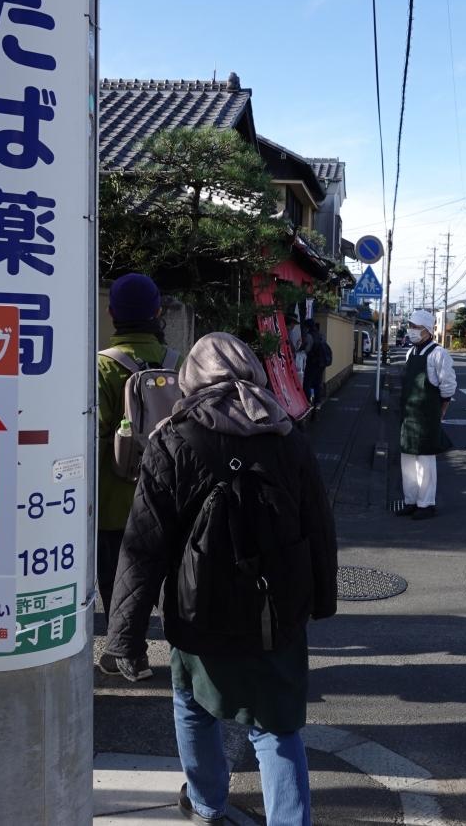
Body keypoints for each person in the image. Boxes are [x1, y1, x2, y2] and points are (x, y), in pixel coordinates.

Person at [106, 332, 337, 825]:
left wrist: (125, 636)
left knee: (193, 703)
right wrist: (320, 600)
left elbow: (144, 546)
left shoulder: (172, 439)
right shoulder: (286, 434)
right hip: (276, 608)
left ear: (191, 379)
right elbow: (318, 525)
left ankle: (207, 802)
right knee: (276, 726)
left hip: (198, 607)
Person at [96, 272, 179, 682]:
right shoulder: (178, 362)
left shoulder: (103, 366)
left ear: (112, 314)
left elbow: (95, 432)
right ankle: (176, 649)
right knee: (165, 572)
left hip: (116, 493)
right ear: (158, 312)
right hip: (170, 490)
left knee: (118, 577)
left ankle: (129, 653)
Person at [397, 309, 457, 519]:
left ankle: (426, 504)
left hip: (427, 414)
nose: (411, 330)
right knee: (407, 458)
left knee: (425, 460)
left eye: (416, 327)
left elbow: (448, 385)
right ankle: (410, 500)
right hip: (408, 413)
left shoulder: (438, 354)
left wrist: (441, 410)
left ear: (427, 330)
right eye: (410, 326)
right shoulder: (411, 353)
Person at [302, 320, 327, 408]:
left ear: (307, 327)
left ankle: (307, 402)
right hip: (321, 363)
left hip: (312, 362)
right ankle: (317, 402)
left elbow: (307, 349)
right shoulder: (320, 335)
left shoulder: (309, 335)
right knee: (317, 383)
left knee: (307, 383)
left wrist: (302, 347)